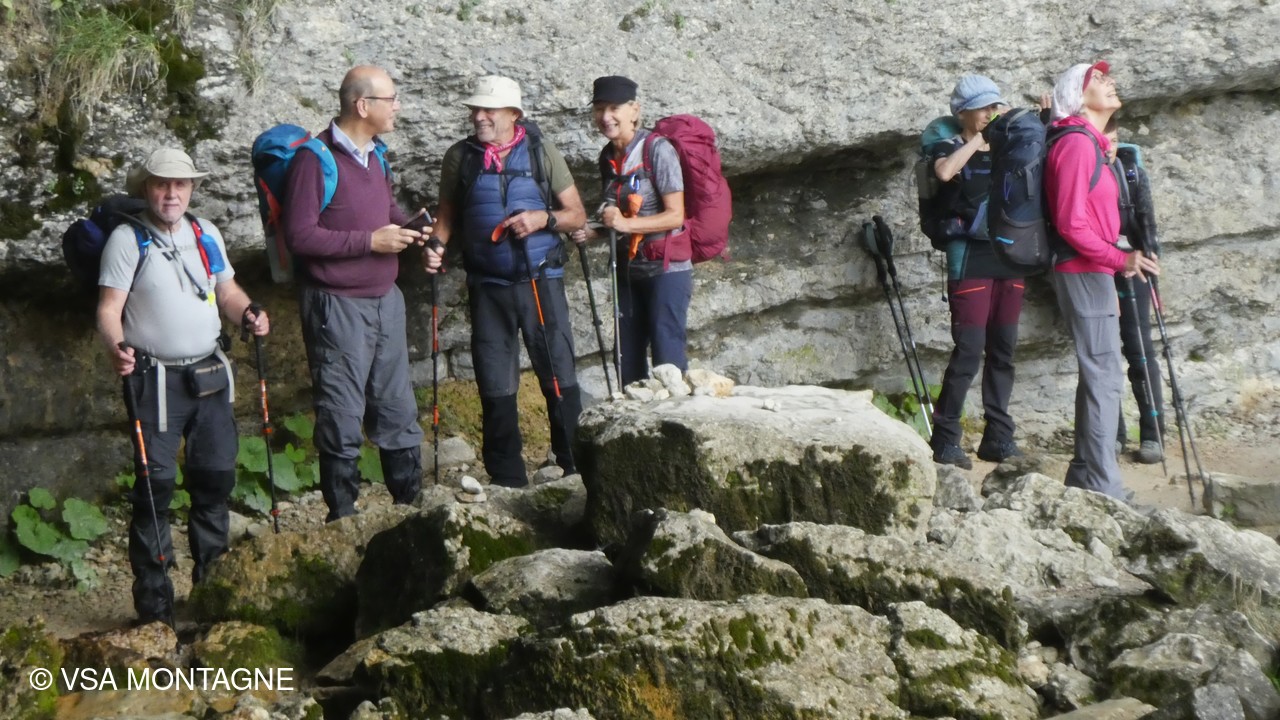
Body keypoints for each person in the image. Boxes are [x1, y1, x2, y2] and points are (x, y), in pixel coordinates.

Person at [97, 148, 270, 625]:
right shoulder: (127, 240)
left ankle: (213, 594)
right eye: (161, 184)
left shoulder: (205, 232)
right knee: (155, 490)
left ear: (192, 188)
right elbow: (109, 309)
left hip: (210, 374)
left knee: (214, 480)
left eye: (180, 184)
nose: (171, 194)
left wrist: (249, 313)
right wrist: (116, 346)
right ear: (146, 188)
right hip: (154, 380)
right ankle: (156, 609)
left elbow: (226, 291)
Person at [423, 75, 587, 487]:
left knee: (557, 371)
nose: (479, 117)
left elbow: (576, 216)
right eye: (475, 110)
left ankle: (575, 465)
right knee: (494, 378)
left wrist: (542, 218)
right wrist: (436, 245)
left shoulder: (541, 151)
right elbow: (446, 215)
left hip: (540, 279)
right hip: (488, 284)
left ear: (514, 114)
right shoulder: (459, 157)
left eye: (488, 110)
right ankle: (506, 477)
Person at [282, 65, 427, 520]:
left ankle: (409, 512)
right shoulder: (314, 161)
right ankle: (342, 519)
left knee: (397, 405)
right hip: (337, 305)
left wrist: (413, 230)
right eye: (391, 99)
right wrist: (370, 242)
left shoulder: (376, 155)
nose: (397, 106)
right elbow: (299, 236)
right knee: (342, 411)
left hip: (386, 300)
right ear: (363, 106)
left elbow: (386, 209)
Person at [1044, 61, 1160, 499]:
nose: (1109, 82)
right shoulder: (1075, 144)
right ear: (1078, 97)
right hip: (1083, 268)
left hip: (1092, 269)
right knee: (1105, 376)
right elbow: (1071, 223)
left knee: (1099, 372)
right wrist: (1119, 258)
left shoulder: (1088, 143)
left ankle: (1084, 474)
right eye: (1097, 79)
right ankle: (1105, 488)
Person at [926, 75, 1024, 469]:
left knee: (1004, 348)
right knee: (969, 349)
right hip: (968, 256)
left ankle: (998, 436)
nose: (989, 113)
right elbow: (944, 173)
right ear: (962, 112)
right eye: (982, 107)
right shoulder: (946, 144)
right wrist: (977, 141)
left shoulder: (1006, 146)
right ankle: (945, 438)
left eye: (994, 106)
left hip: (1008, 254)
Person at [570, 75, 690, 386]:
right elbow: (616, 214)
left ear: (634, 110)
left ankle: (674, 414)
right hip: (627, 269)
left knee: (667, 357)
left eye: (614, 108)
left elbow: (675, 216)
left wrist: (625, 224)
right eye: (599, 109)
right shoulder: (608, 156)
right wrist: (594, 231)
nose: (605, 117)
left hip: (666, 269)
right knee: (626, 357)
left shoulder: (657, 150)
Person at [1104, 119, 1165, 464]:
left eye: (1114, 141)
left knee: (1140, 349)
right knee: (1105, 353)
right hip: (1099, 268)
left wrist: (1150, 263)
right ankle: (1113, 433)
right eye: (1104, 141)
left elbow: (1147, 223)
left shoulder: (1132, 174)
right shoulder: (1084, 173)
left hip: (1136, 267)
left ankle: (1152, 433)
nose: (1109, 148)